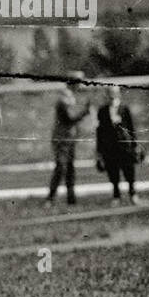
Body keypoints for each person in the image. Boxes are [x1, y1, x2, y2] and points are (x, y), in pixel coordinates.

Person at [46, 72, 90, 206]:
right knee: (61, 167)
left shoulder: (70, 97)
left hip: (69, 139)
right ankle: (50, 198)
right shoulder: (63, 99)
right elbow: (69, 119)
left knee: (69, 168)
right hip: (62, 139)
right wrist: (84, 112)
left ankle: (71, 199)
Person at [95, 83, 141, 204]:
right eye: (109, 94)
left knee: (129, 172)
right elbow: (100, 131)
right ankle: (116, 196)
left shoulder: (124, 109)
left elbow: (131, 128)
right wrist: (99, 149)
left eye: (114, 93)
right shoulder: (103, 111)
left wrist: (135, 145)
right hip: (110, 147)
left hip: (124, 146)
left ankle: (133, 194)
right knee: (113, 172)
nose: (112, 96)